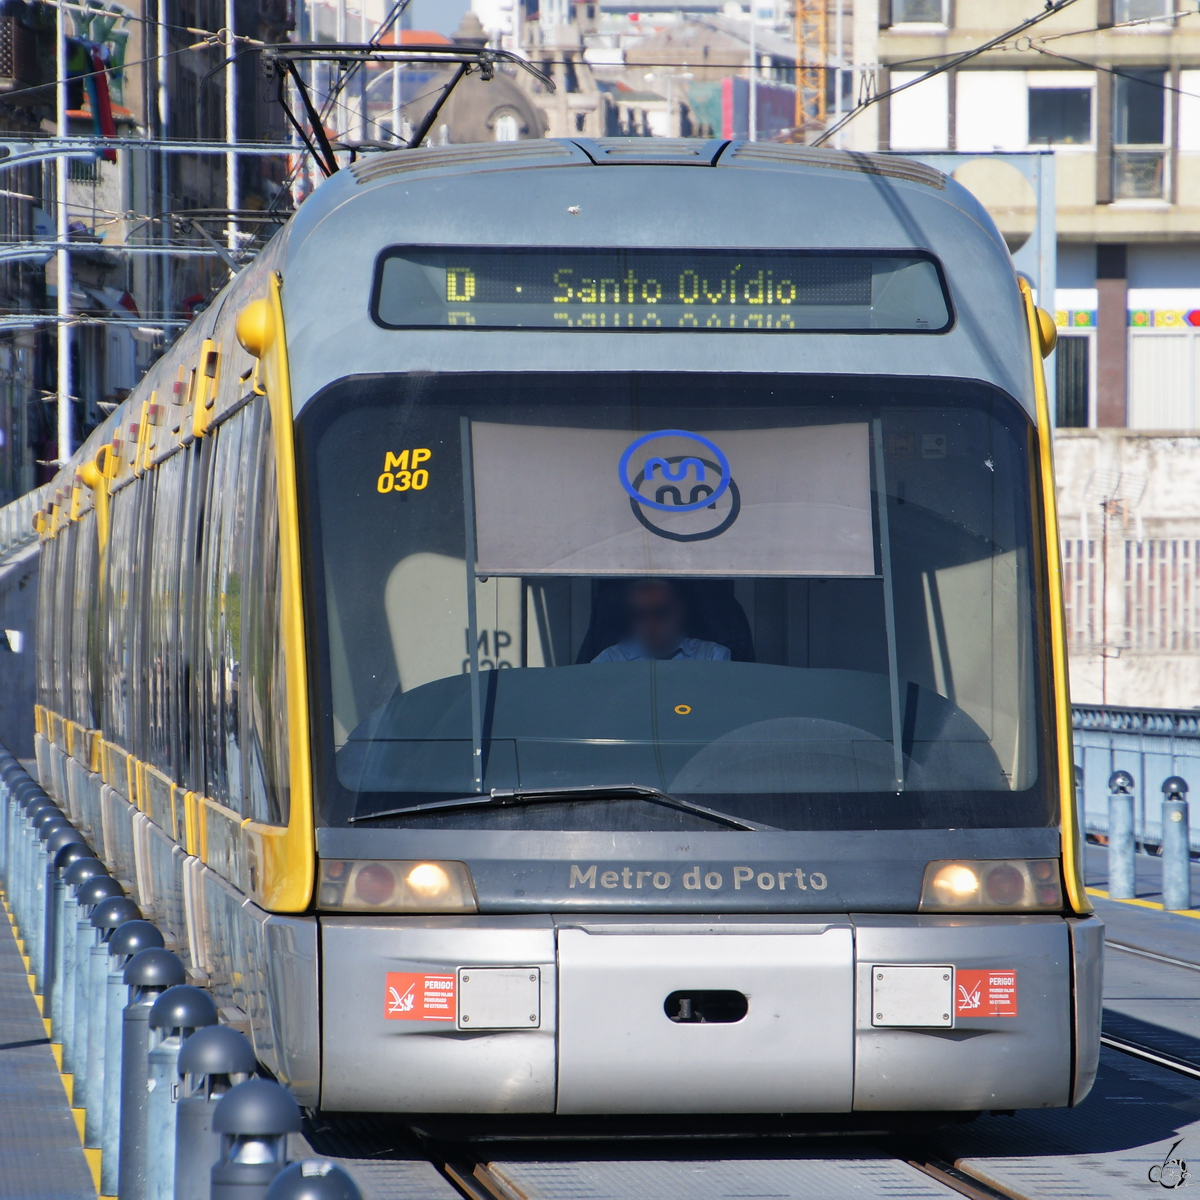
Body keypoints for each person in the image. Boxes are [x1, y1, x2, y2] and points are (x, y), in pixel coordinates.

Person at [592, 579, 731, 663]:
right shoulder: (609, 660)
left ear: (681, 611)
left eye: (661, 612)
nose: (649, 623)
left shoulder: (713, 657)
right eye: (639, 614)